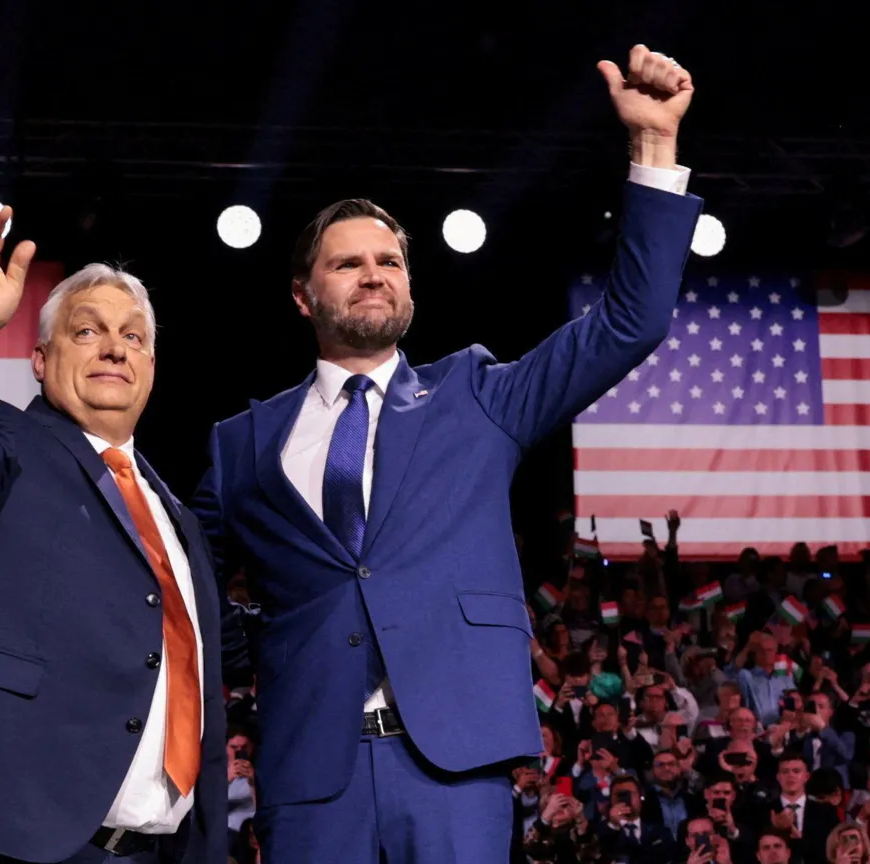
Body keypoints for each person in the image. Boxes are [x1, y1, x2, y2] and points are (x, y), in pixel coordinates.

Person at [191, 43, 703, 861]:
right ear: (302, 294)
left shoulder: (477, 396)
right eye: (348, 263)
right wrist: (280, 641)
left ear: (411, 288)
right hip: (310, 773)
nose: (373, 274)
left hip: (454, 765)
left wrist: (651, 149)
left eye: (389, 261)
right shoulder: (242, 441)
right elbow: (188, 589)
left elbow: (628, 323)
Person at [0, 206, 226, 864]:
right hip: (4, 840)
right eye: (87, 331)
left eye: (133, 336)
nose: (115, 347)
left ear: (151, 363)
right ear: (39, 359)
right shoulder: (7, 446)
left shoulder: (177, 517)